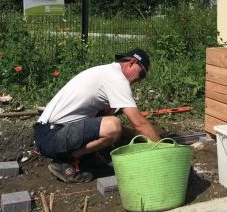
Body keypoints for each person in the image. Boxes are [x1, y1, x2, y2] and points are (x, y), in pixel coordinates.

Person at [34, 48, 160, 183]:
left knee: (111, 114)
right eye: (141, 74)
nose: (139, 80)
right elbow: (139, 123)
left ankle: (89, 157)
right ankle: (64, 161)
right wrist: (161, 149)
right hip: (52, 137)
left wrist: (138, 138)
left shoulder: (107, 73)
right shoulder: (116, 79)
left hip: (52, 134)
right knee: (113, 125)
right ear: (132, 63)